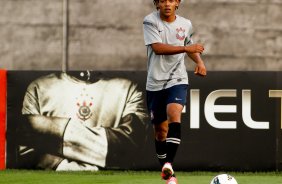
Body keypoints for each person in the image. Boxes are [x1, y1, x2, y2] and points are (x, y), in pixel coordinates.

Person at [17, 71, 148, 171]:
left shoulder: (128, 88)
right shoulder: (40, 87)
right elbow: (28, 153)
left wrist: (46, 127)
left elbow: (129, 145)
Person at [143, 0, 207, 183]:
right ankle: (170, 176)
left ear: (178, 3)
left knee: (174, 112)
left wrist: (200, 62)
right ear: (156, 4)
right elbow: (158, 48)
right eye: (162, 0)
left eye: (171, 0)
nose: (167, 4)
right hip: (155, 83)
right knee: (160, 132)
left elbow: (190, 46)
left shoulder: (185, 24)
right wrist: (186, 48)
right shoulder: (150, 21)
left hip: (177, 79)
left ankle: (168, 165)